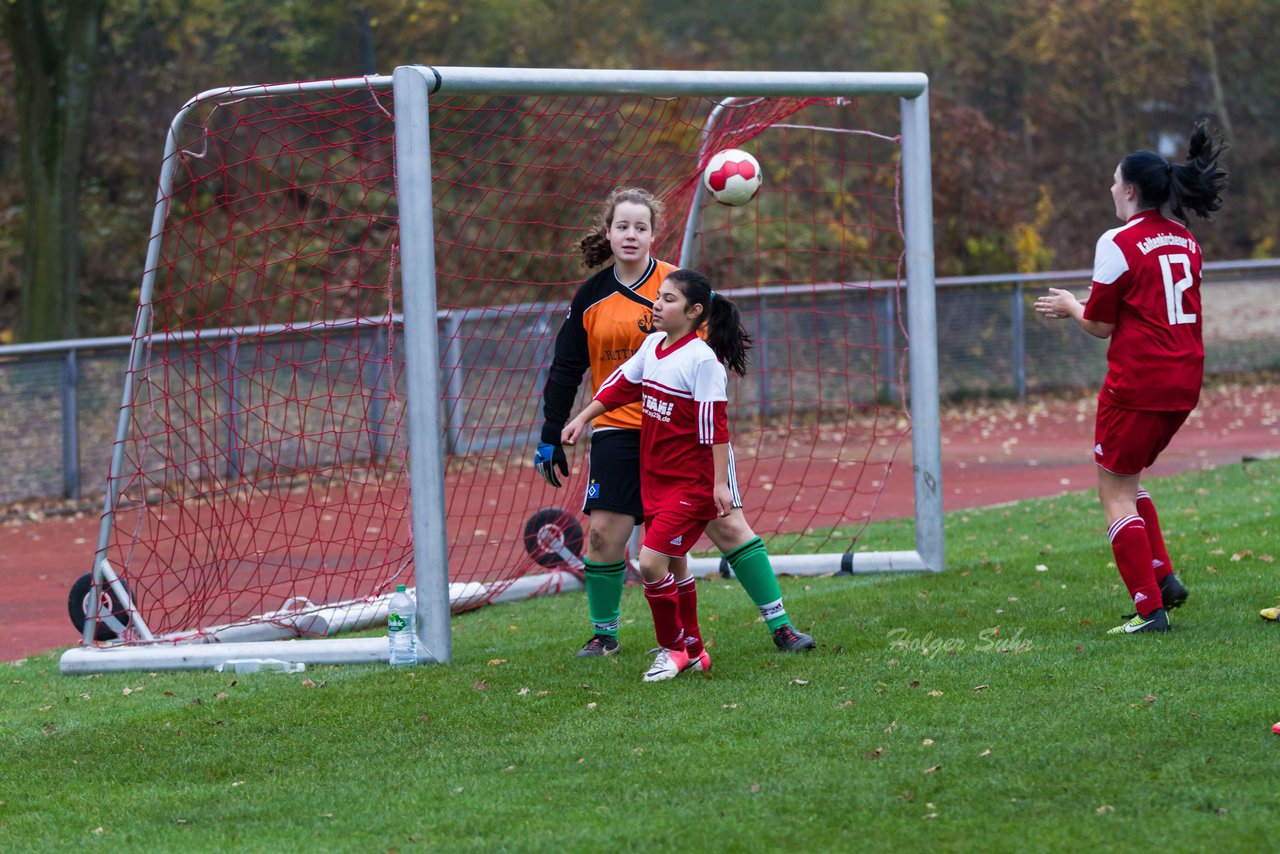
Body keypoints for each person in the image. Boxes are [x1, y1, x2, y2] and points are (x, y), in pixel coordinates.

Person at [534, 187, 815, 658]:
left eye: (639, 227)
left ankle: (782, 626)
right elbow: (567, 367)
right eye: (622, 226)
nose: (630, 234)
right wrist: (552, 430)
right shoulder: (590, 296)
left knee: (727, 524)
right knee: (604, 533)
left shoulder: (678, 288)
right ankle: (605, 635)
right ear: (609, 232)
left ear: (653, 234)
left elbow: (710, 350)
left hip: (681, 433)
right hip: (618, 430)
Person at [1034, 119, 1227, 635]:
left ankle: (1149, 611)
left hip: (1138, 383)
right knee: (1130, 480)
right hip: (1185, 381)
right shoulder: (1187, 240)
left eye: (1115, 181)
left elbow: (1100, 325)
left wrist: (1071, 305)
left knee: (1114, 492)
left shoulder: (1117, 241)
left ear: (1133, 190)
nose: (1110, 188)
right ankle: (1162, 580)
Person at [562, 269, 746, 680]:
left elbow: (715, 428)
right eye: (657, 297)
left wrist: (718, 485)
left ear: (694, 311)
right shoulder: (652, 347)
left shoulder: (702, 361)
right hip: (656, 481)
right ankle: (695, 650)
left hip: (690, 485)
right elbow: (618, 387)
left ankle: (673, 649)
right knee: (675, 564)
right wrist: (582, 418)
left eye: (667, 300)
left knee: (649, 564)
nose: (656, 305)